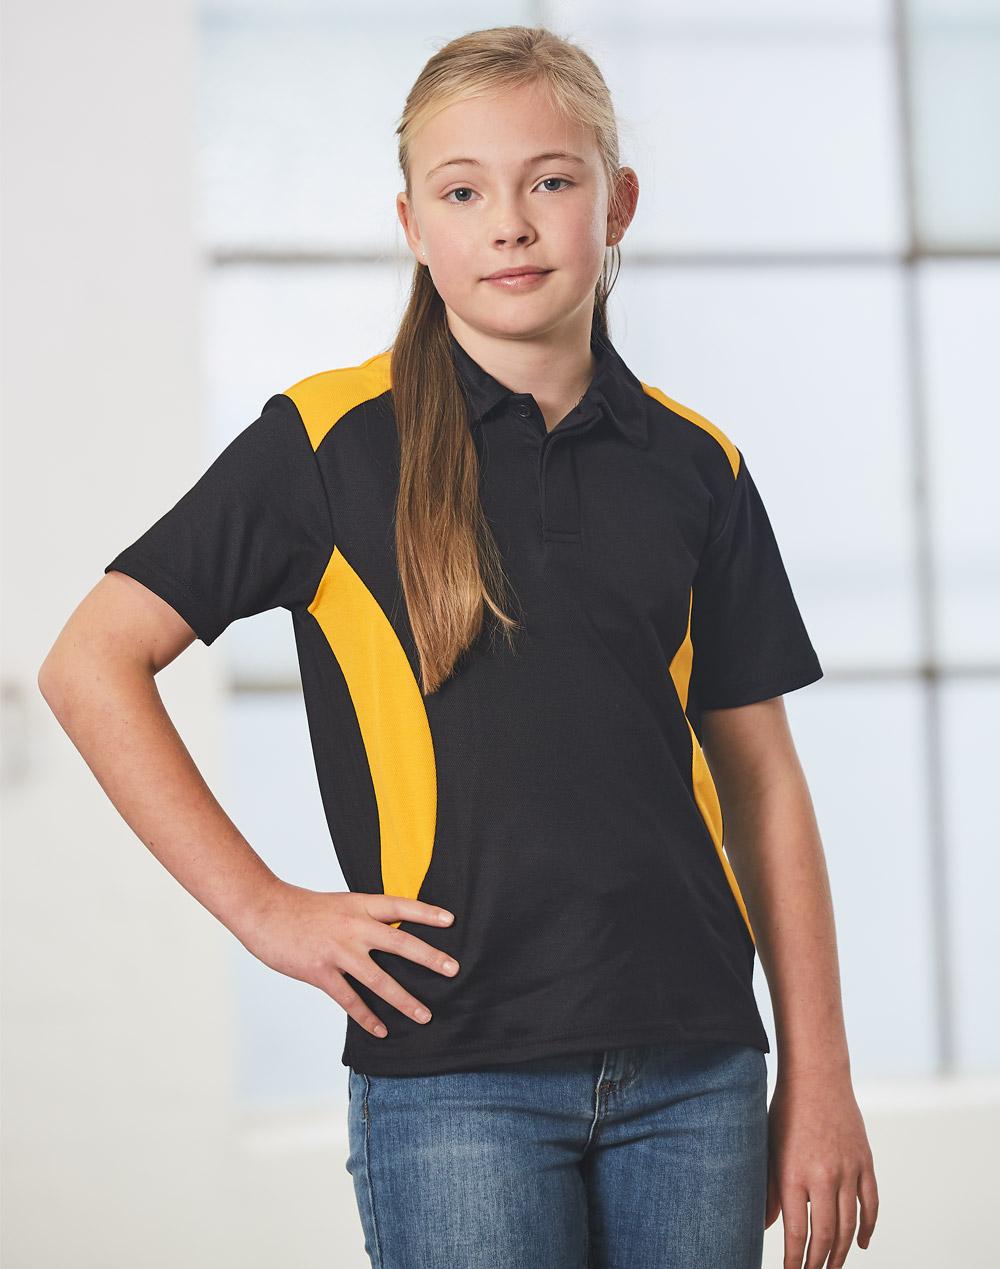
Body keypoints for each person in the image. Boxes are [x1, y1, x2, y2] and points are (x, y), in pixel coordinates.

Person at [38, 22, 879, 1269]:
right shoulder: (324, 445)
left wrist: (821, 1077)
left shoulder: (699, 466)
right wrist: (266, 912)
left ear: (617, 203)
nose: (511, 225)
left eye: (551, 180)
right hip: (454, 1081)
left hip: (694, 1067)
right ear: (412, 224)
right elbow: (89, 663)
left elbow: (764, 784)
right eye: (463, 191)